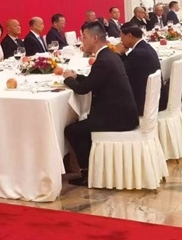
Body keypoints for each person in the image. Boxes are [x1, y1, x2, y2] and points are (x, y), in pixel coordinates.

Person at [62, 22, 139, 186]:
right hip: (123, 112)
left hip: (118, 118)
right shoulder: (110, 55)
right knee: (82, 123)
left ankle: (87, 172)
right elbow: (94, 81)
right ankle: (92, 167)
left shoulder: (103, 60)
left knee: (72, 130)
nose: (82, 41)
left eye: (84, 37)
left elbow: (83, 89)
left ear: (94, 38)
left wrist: (68, 79)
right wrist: (76, 77)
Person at [116, 22, 161, 115]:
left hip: (142, 103)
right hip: (152, 97)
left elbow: (120, 71)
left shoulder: (138, 53)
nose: (121, 41)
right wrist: (122, 54)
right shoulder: (145, 47)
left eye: (122, 37)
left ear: (129, 36)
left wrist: (117, 53)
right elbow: (128, 65)